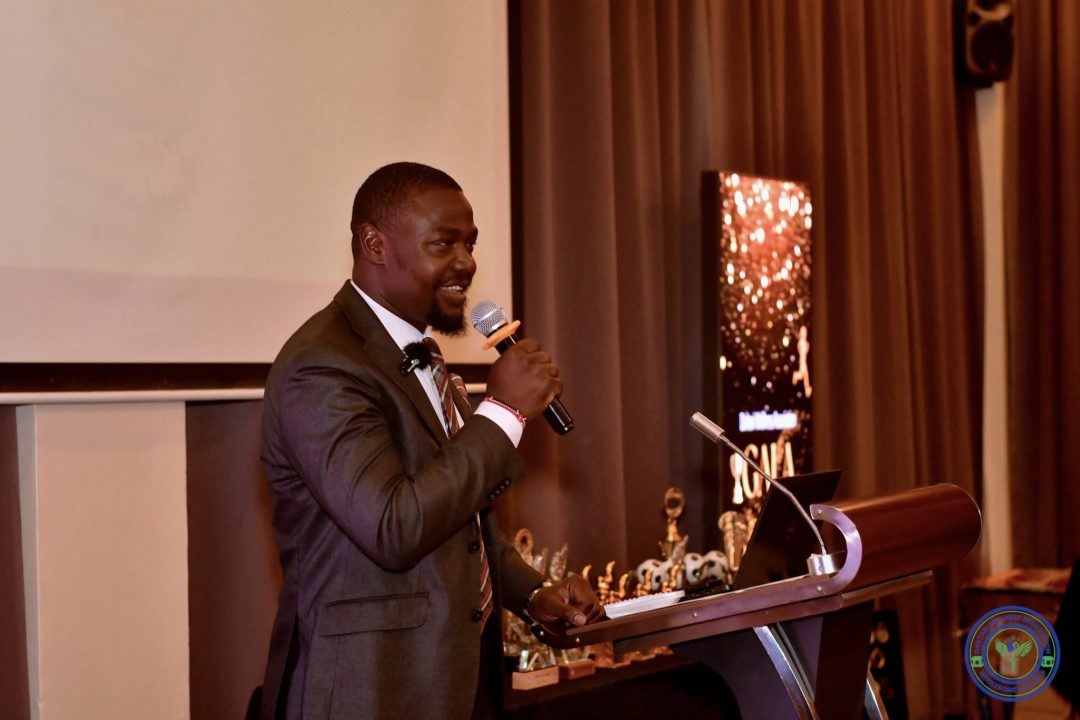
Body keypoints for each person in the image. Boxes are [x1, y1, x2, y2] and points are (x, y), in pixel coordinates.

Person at [258, 162, 603, 719]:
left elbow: (458, 521)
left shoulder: (420, 356)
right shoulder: (321, 366)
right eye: (444, 243)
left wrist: (532, 593)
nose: (466, 262)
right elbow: (393, 525)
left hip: (455, 681)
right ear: (374, 244)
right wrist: (505, 411)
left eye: (470, 244)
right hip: (371, 689)